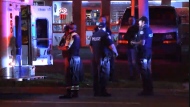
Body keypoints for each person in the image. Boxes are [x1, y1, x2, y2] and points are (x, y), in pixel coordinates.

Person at [89, 22, 118, 97]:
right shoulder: (105, 35)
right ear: (104, 28)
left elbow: (91, 46)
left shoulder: (94, 35)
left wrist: (95, 52)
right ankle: (102, 91)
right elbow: (111, 46)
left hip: (95, 58)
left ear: (99, 28)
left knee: (96, 75)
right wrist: (116, 53)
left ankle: (96, 91)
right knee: (104, 74)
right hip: (103, 58)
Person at [58, 22, 82, 99]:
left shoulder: (70, 36)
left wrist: (60, 48)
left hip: (70, 57)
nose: (64, 33)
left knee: (69, 75)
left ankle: (68, 93)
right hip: (76, 57)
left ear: (68, 30)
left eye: (65, 31)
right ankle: (75, 93)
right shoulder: (77, 36)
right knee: (75, 75)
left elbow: (66, 47)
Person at [131, 16, 154, 96]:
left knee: (144, 72)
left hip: (143, 53)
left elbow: (142, 42)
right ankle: (150, 89)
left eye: (140, 22)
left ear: (143, 22)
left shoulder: (143, 30)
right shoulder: (150, 30)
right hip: (148, 52)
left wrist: (134, 43)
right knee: (148, 71)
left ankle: (146, 90)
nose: (138, 23)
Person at [94, 15, 116, 82]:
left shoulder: (107, 29)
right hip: (100, 50)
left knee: (110, 63)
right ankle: (101, 78)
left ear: (105, 21)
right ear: (99, 20)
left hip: (107, 49)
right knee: (100, 65)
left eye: (103, 20)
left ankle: (110, 77)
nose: (102, 21)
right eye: (101, 20)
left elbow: (110, 38)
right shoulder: (96, 29)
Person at [124, 16, 139, 80]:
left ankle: (138, 75)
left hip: (134, 47)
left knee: (134, 62)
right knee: (130, 62)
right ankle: (131, 75)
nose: (131, 21)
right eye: (130, 20)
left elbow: (133, 37)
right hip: (129, 46)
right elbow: (125, 37)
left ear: (135, 21)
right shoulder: (129, 28)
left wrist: (130, 37)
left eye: (132, 20)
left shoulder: (136, 28)